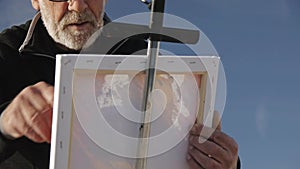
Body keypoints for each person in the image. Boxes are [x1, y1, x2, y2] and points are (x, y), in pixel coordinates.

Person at [0, 0, 240, 169]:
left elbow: (176, 148)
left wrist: (221, 161)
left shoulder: (142, 56)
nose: (78, 5)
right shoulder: (6, 52)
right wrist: (5, 124)